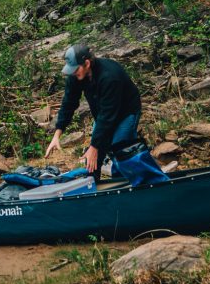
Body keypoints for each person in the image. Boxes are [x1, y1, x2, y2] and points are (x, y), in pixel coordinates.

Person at [45, 43, 142, 181]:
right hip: (103, 113)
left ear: (87, 63)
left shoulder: (109, 76)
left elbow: (107, 116)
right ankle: (92, 183)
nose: (73, 72)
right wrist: (57, 134)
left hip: (126, 112)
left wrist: (94, 146)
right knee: (94, 153)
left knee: (120, 150)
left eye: (75, 69)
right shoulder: (76, 76)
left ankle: (125, 183)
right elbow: (68, 103)